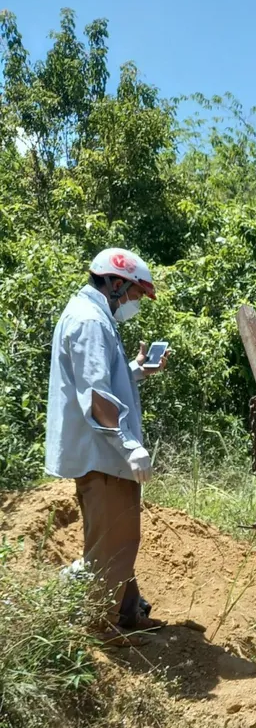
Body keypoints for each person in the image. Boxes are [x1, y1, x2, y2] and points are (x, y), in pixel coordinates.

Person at [45, 248, 170, 645]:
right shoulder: (89, 321)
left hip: (103, 455)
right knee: (113, 544)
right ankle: (99, 628)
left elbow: (102, 377)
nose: (134, 303)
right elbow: (98, 397)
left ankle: (128, 611)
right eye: (135, 294)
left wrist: (135, 370)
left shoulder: (93, 316)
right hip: (104, 456)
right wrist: (130, 445)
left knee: (117, 540)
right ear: (116, 283)